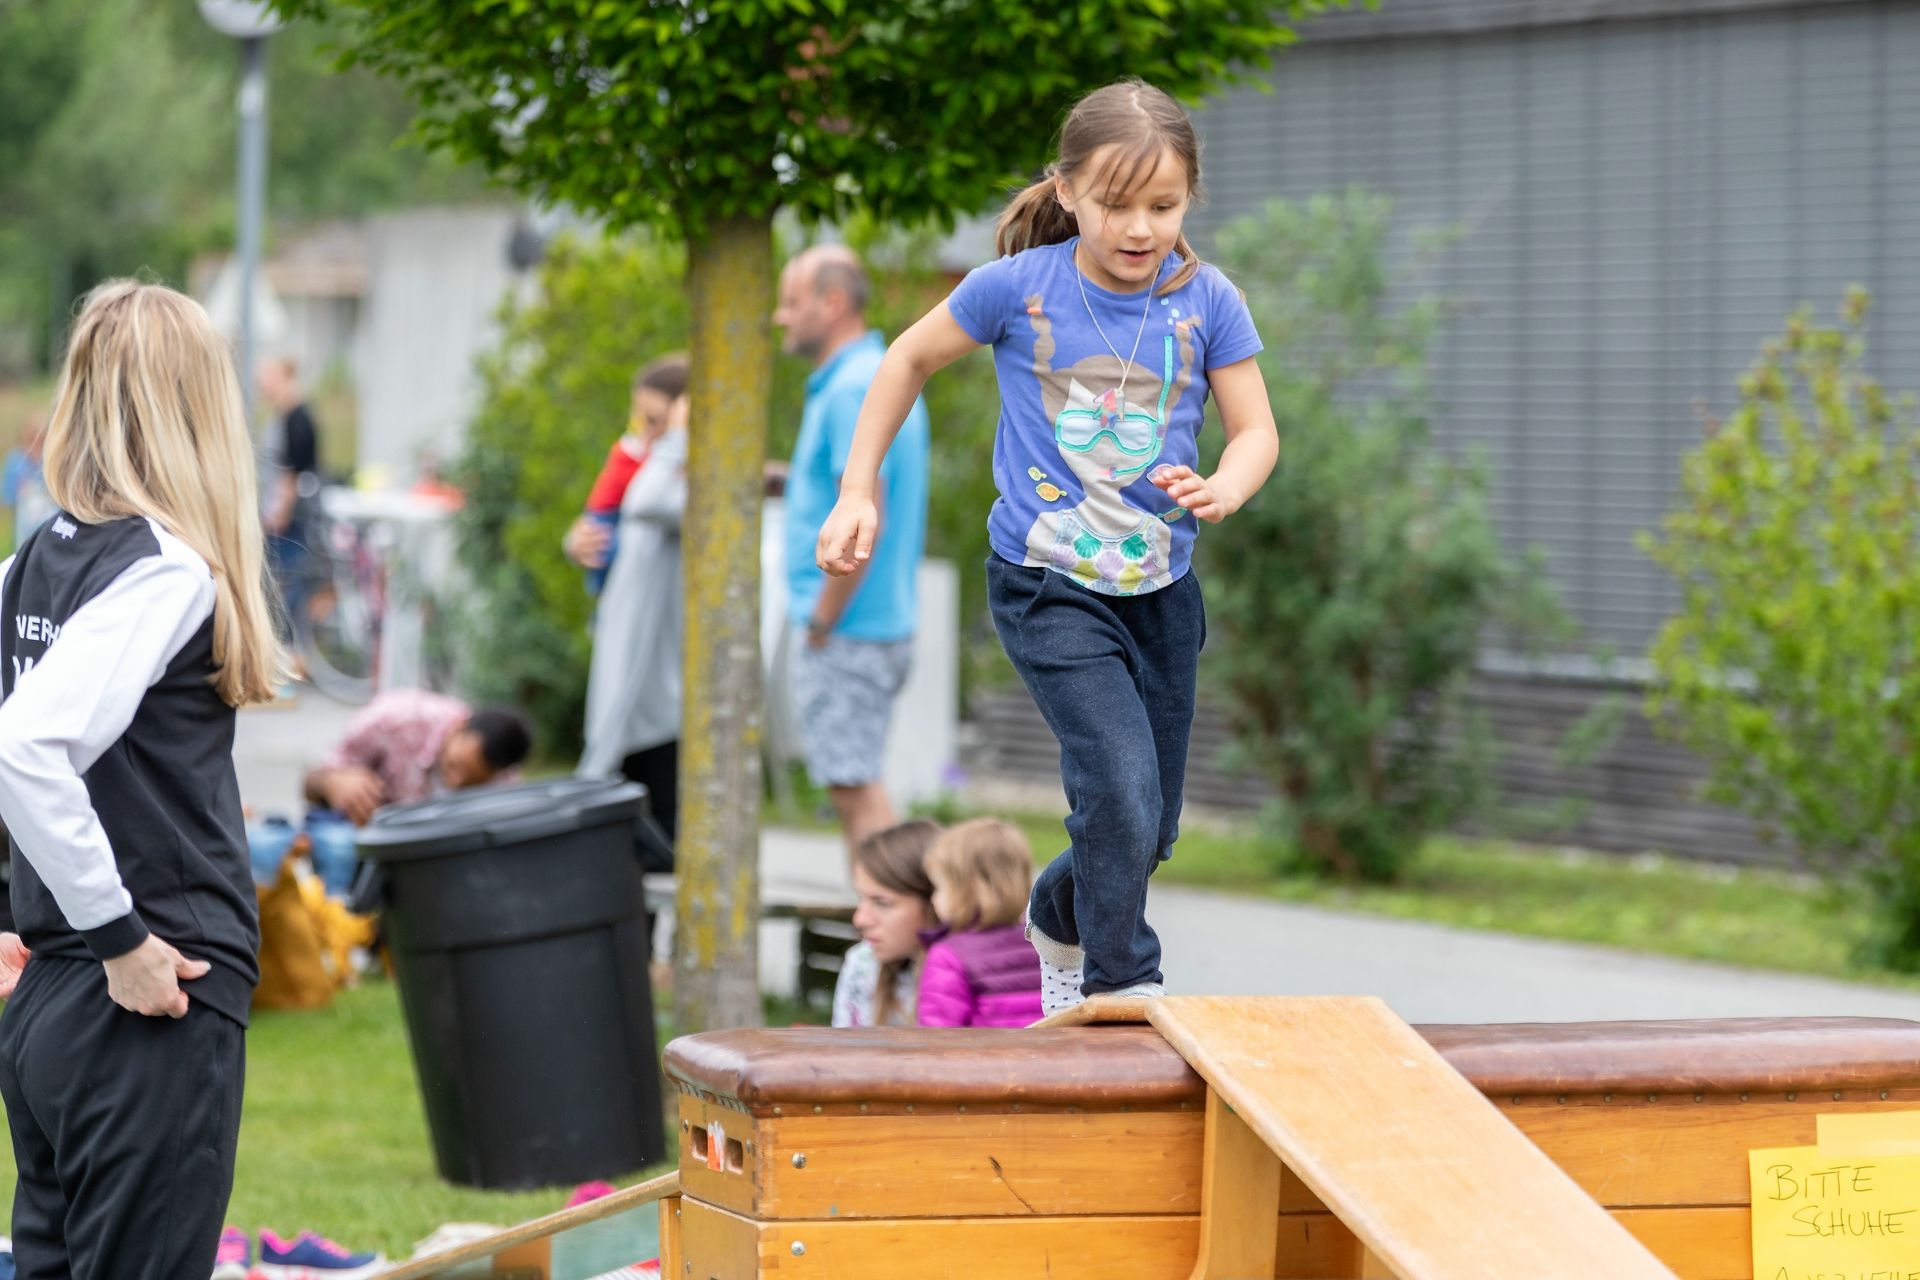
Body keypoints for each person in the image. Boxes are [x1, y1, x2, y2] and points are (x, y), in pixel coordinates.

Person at [815, 80, 1280, 1016]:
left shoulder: (1207, 301)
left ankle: (1055, 913)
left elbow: (1256, 429)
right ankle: (1120, 988)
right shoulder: (1019, 288)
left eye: (1164, 206)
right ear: (1067, 189)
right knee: (1119, 790)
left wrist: (1227, 484)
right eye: (1115, 204)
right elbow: (904, 359)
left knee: (1149, 827)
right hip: (1047, 584)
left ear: (1189, 199)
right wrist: (856, 488)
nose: (1140, 228)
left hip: (1162, 591)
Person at [0, 280, 282, 1279]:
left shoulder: (31, 561)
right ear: (200, 407)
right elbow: (23, 747)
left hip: (57, 1007)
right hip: (148, 994)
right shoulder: (163, 568)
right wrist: (121, 941)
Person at [773, 247, 931, 854]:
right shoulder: (877, 374)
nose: (781, 316)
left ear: (832, 303)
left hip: (847, 627)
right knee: (855, 784)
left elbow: (867, 515)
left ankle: (900, 914)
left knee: (855, 792)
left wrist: (821, 620)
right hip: (872, 623)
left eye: (792, 302)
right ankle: (893, 911)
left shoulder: (849, 389)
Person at [567, 357, 691, 851]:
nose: (645, 434)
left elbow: (645, 502)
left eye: (657, 420)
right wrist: (576, 540)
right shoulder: (656, 466)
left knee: (659, 830)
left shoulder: (686, 475)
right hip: (627, 669)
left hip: (662, 686)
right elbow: (612, 516)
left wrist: (680, 438)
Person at [302, 690, 532, 827]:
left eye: (471, 782)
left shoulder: (504, 782)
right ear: (459, 726)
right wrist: (332, 782)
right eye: (454, 766)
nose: (457, 782)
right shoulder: (395, 719)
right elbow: (308, 784)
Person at [916, 819, 1044, 1028]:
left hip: (984, 1051)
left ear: (973, 888)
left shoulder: (947, 956)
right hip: (1046, 1049)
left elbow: (937, 1035)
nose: (933, 898)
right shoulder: (1043, 944)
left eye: (938, 887)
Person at [830, 819, 942, 1029]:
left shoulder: (971, 976)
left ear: (935, 902)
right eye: (861, 898)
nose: (860, 919)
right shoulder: (862, 963)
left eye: (882, 903)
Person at [257, 356, 321, 637]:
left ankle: (288, 643)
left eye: (269, 376)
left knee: (286, 580)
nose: (263, 384)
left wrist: (279, 512)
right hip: (278, 510)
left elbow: (293, 473)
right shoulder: (283, 416)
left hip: (289, 516)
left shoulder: (297, 419)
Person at [2, 414, 53, 549]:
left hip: (50, 528)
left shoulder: (52, 459)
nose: (36, 440)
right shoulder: (15, 461)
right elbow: (7, 497)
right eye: (32, 435)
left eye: (40, 435)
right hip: (24, 528)